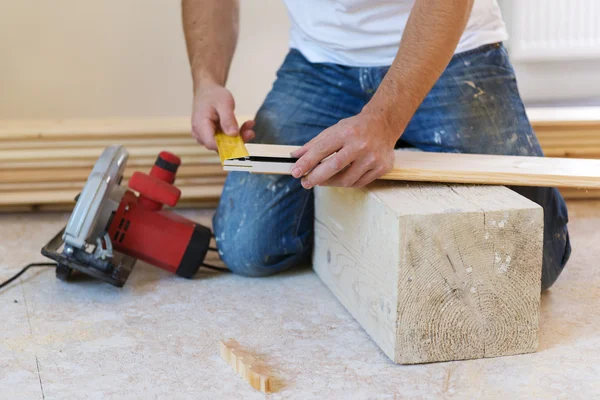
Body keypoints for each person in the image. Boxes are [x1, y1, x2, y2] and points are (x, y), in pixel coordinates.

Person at [182, 0, 570, 291]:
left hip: (455, 49)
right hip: (322, 60)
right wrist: (207, 81)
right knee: (248, 247)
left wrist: (384, 121)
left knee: (534, 263)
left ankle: (394, 139)